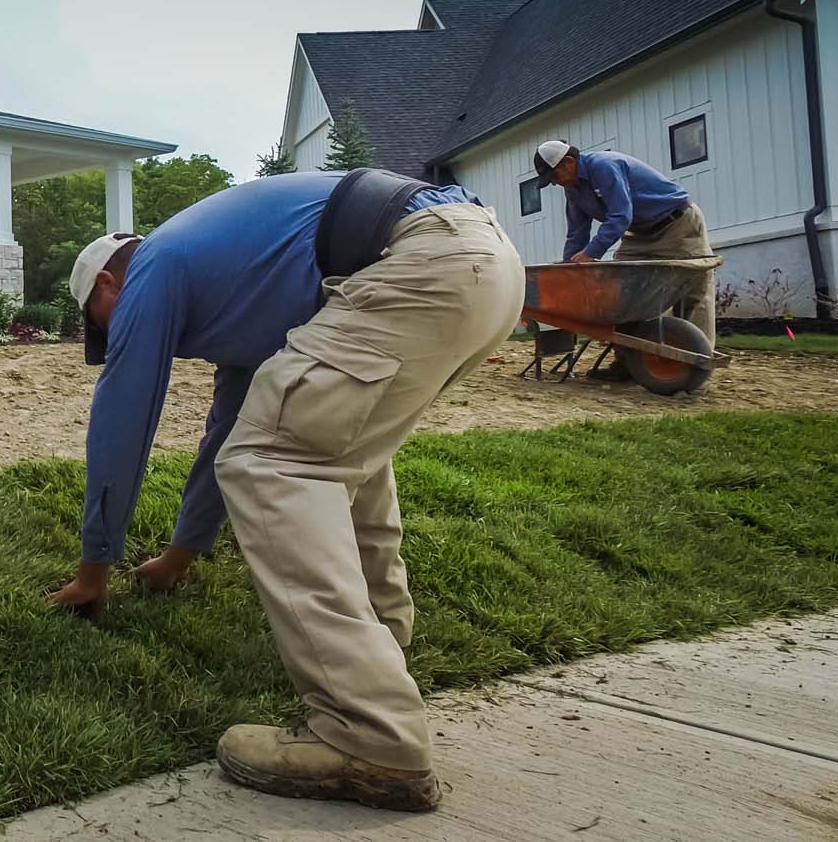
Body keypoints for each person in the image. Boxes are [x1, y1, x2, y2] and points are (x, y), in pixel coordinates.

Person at [47, 169, 524, 812]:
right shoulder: (238, 282)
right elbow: (227, 430)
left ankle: (370, 734)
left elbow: (122, 424)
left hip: (422, 263)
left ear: (108, 284)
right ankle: (380, 649)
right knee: (324, 442)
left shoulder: (156, 263)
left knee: (272, 464)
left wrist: (93, 570)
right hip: (483, 261)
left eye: (101, 323)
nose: (114, 334)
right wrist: (181, 555)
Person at [531, 140, 716, 345]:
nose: (555, 183)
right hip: (639, 233)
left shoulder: (603, 166)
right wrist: (568, 269)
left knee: (692, 290)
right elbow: (577, 232)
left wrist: (591, 252)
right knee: (623, 293)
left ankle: (698, 359)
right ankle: (628, 361)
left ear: (568, 161)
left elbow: (620, 215)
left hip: (677, 224)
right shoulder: (573, 190)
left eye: (554, 176)